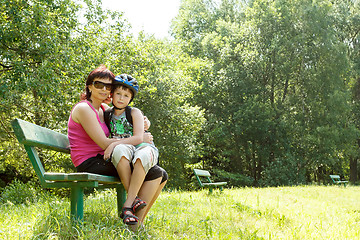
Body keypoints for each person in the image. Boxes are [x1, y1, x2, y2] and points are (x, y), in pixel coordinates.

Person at [67, 65, 167, 229]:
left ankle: (136, 222)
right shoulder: (84, 108)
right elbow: (104, 143)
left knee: (162, 174)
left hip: (102, 158)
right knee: (156, 173)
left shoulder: (104, 109)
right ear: (90, 86)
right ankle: (134, 218)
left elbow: (126, 117)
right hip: (89, 162)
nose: (104, 89)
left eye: (108, 86)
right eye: (99, 85)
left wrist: (144, 122)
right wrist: (139, 138)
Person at [103, 74, 161, 226]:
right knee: (120, 150)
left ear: (130, 99)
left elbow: (138, 138)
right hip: (124, 148)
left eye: (126, 95)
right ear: (112, 94)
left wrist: (111, 144)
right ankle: (134, 200)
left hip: (143, 146)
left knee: (141, 155)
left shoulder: (134, 112)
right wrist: (115, 145)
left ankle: (127, 205)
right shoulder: (107, 114)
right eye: (118, 94)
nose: (121, 98)